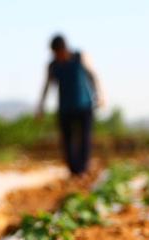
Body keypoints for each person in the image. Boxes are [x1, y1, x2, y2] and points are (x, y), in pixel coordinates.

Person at [36, 34, 105, 175]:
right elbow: (47, 86)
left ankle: (83, 169)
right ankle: (73, 171)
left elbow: (93, 75)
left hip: (84, 105)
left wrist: (100, 95)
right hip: (65, 108)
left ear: (64, 48)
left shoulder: (80, 57)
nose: (58, 55)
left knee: (85, 138)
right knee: (67, 140)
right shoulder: (53, 65)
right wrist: (41, 106)